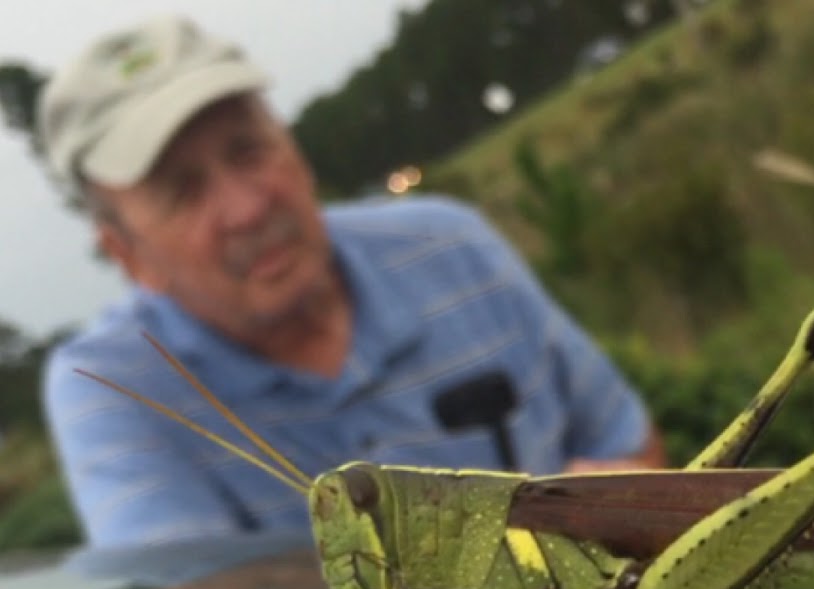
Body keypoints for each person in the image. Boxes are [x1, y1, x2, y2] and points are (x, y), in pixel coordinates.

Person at [36, 15, 666, 552]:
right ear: (128, 256)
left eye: (249, 149)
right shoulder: (114, 386)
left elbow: (634, 449)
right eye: (184, 191)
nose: (248, 208)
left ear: (294, 147)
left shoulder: (454, 244)